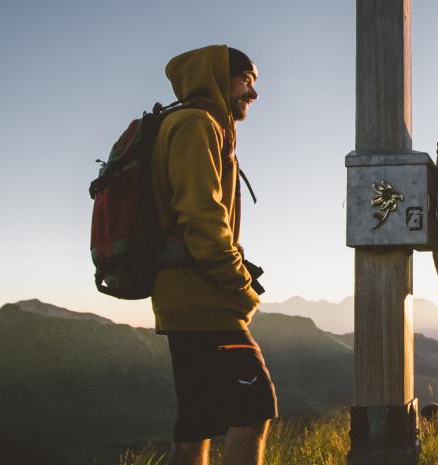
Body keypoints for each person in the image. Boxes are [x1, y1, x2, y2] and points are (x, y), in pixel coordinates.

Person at [150, 44, 274, 465]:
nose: (252, 94)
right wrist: (241, 289)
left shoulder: (186, 123)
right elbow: (204, 221)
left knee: (195, 427)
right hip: (205, 301)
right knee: (255, 408)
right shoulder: (199, 125)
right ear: (219, 77)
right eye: (247, 81)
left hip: (182, 299)